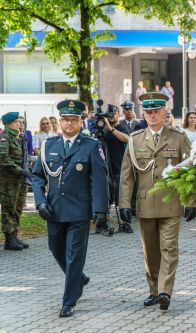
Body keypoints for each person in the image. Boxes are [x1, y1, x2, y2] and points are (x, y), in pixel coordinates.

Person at [31, 100, 108, 317]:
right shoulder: (49, 145)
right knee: (56, 249)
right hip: (54, 209)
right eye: (65, 119)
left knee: (74, 255)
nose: (69, 124)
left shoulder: (91, 146)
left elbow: (99, 180)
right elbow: (37, 176)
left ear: (81, 121)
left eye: (74, 120)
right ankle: (80, 279)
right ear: (60, 121)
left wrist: (100, 210)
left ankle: (69, 301)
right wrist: (40, 201)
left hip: (79, 211)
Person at [119, 92, 191, 312]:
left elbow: (191, 171)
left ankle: (164, 292)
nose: (152, 115)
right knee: (150, 251)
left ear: (165, 113)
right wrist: (123, 204)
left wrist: (192, 201)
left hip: (171, 202)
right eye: (148, 112)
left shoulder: (178, 138)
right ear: (143, 113)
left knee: (169, 248)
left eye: (156, 111)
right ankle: (153, 290)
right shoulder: (135, 139)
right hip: (146, 202)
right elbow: (126, 175)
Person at [0, 112, 31, 251]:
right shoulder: (5, 138)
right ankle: (9, 239)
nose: (19, 124)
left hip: (19, 179)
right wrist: (19, 170)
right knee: (9, 209)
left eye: (20, 122)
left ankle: (15, 236)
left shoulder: (18, 137)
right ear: (7, 124)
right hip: (8, 181)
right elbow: (3, 158)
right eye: (16, 122)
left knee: (18, 208)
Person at [100, 104, 131, 233]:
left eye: (114, 115)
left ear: (119, 114)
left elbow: (126, 139)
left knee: (121, 196)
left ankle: (125, 222)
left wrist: (111, 129)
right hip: (105, 168)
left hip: (119, 167)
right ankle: (103, 222)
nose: (111, 117)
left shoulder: (121, 127)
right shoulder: (103, 130)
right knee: (106, 196)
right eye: (109, 115)